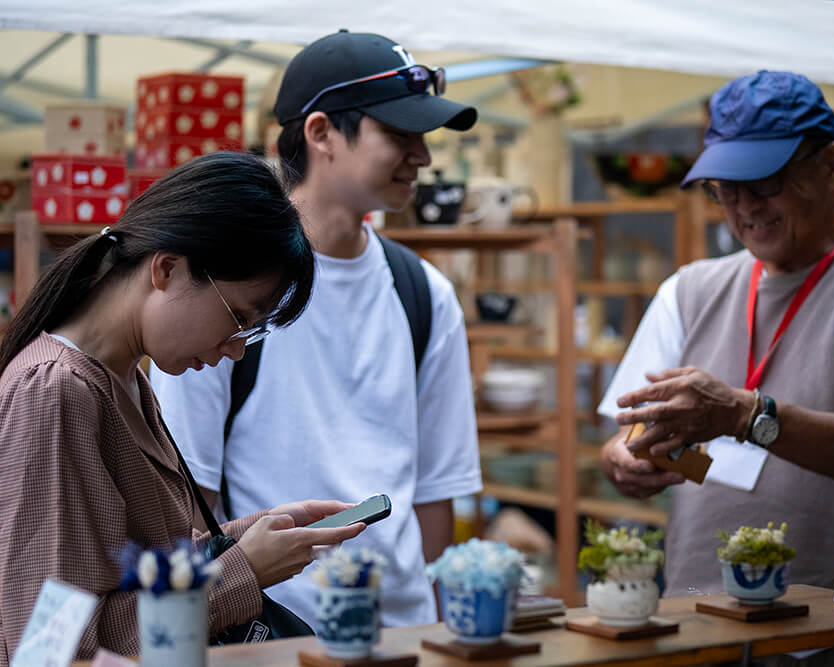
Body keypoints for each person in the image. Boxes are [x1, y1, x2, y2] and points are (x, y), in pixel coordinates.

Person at [599, 71, 834, 665]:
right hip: (695, 626)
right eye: (724, 189)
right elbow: (624, 433)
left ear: (832, 165)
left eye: (763, 183)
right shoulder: (689, 290)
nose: (743, 208)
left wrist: (746, 415)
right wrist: (623, 460)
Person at [149, 30, 482, 629]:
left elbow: (436, 487)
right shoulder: (224, 284)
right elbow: (188, 498)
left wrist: (439, 629)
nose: (423, 157)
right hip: (271, 633)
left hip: (401, 631)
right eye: (400, 135)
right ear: (322, 132)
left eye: (424, 139)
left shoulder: (424, 292)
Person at [0, 152, 368, 663]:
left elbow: (131, 570)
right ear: (168, 269)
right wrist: (241, 571)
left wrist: (245, 538)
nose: (237, 348)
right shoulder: (56, 391)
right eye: (237, 315)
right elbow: (49, 646)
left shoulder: (122, 377)